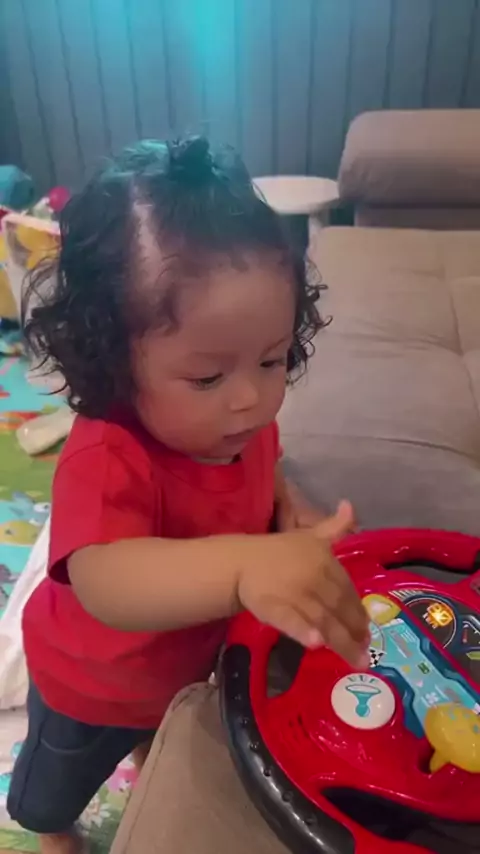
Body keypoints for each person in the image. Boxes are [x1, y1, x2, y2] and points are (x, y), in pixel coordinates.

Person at [7, 137, 370, 854]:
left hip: (180, 670)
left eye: (272, 359)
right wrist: (244, 565)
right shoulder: (107, 456)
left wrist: (287, 511)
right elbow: (106, 579)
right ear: (114, 360)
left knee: (161, 729)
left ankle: (151, 747)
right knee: (52, 789)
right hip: (90, 689)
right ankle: (51, 831)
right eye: (207, 377)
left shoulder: (239, 423)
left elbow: (262, 469)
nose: (250, 399)